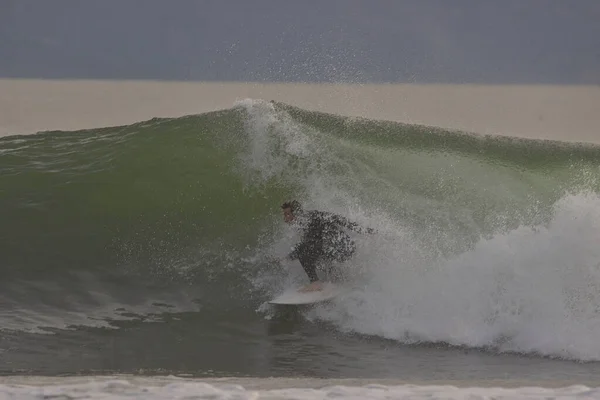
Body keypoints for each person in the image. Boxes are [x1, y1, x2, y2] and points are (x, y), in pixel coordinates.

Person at [281, 200, 374, 292]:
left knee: (305, 252)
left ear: (297, 214)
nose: (285, 218)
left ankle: (316, 283)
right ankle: (339, 277)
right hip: (342, 247)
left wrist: (364, 230)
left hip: (344, 248)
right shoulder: (309, 218)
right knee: (314, 255)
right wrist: (287, 258)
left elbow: (338, 219)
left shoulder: (310, 219)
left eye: (287, 214)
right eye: (284, 214)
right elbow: (338, 219)